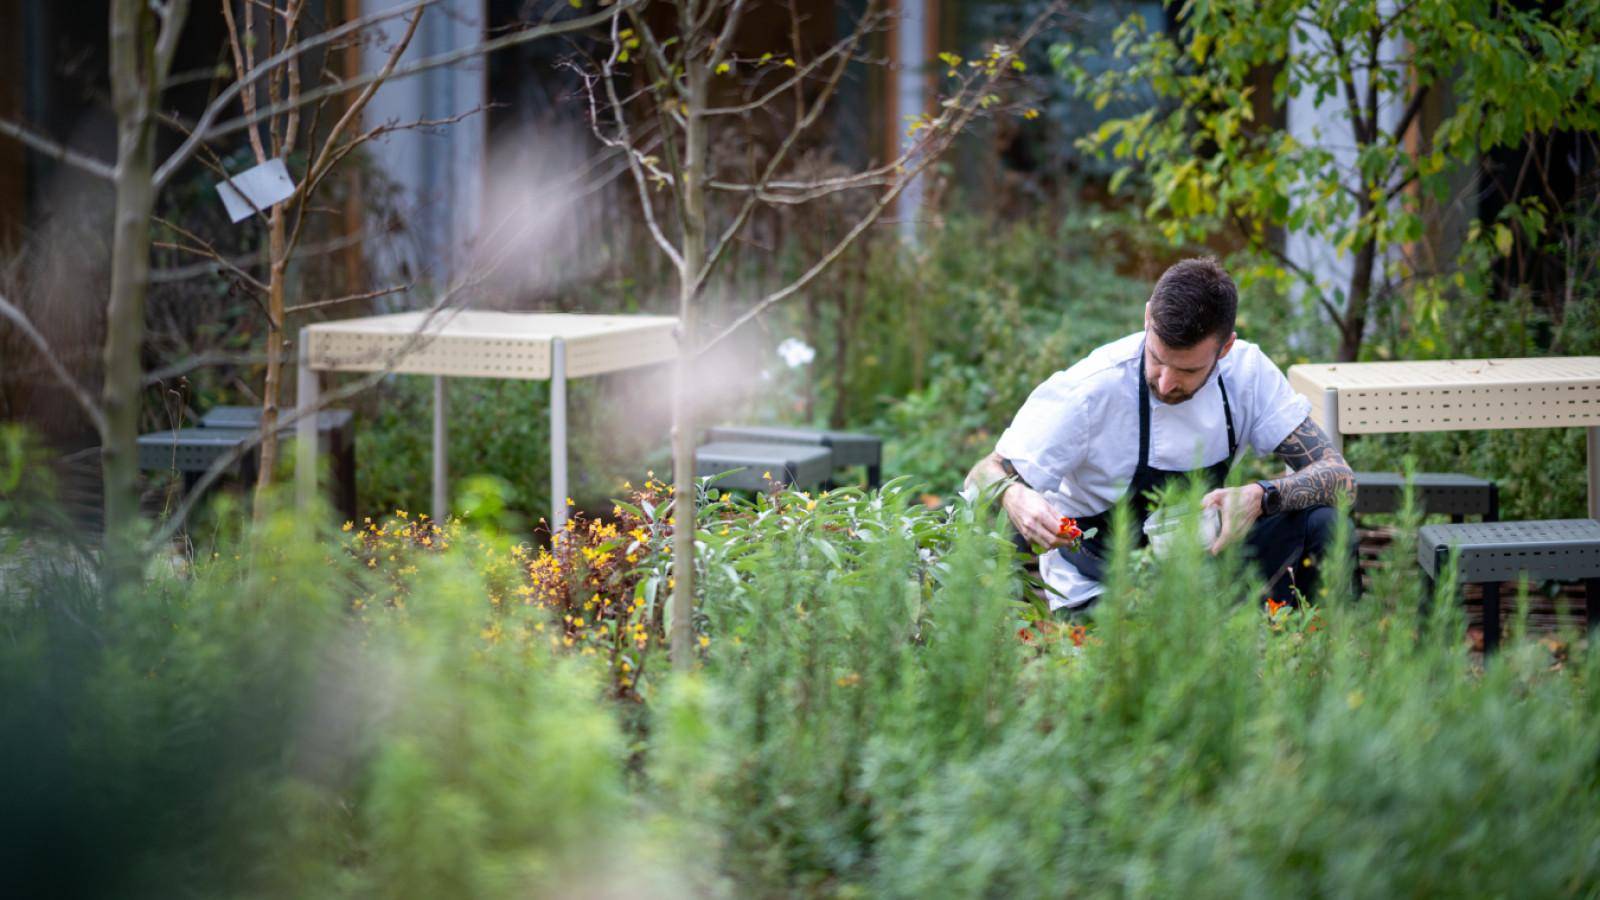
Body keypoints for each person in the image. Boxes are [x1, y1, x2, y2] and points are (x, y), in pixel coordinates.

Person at [964, 257, 1357, 614]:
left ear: (1225, 348)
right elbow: (985, 472)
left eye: (1187, 371)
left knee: (1326, 526)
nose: (1167, 382)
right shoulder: (1088, 391)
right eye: (1157, 359)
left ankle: (1329, 665)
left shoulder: (1248, 374)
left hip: (1209, 569)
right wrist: (1014, 494)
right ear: (1148, 316)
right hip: (1103, 593)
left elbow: (1340, 477)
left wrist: (1263, 496)